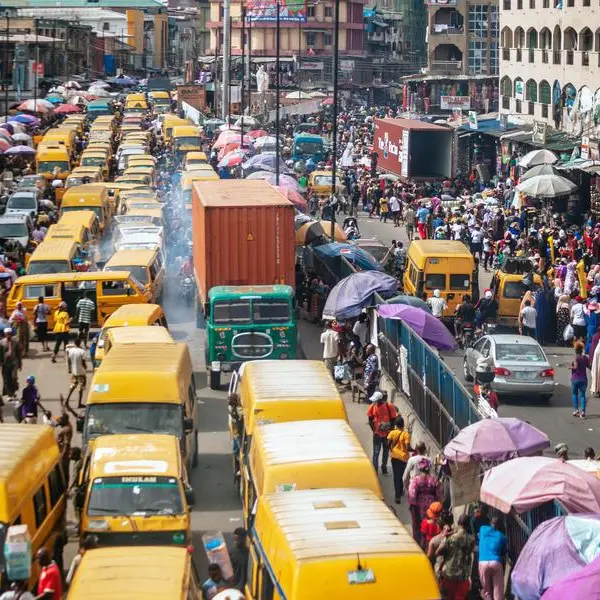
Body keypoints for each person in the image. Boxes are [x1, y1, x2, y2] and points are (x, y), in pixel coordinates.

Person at [438, 514, 475, 600]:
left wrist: (444, 538)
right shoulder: (471, 539)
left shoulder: (452, 538)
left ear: (458, 522)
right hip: (464, 575)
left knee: (447, 597)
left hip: (451, 573)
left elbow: (439, 552)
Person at [408, 457, 441, 546]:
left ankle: (420, 544)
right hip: (432, 505)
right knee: (431, 524)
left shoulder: (416, 480)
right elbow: (439, 495)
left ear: (420, 468)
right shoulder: (434, 480)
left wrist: (412, 506)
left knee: (419, 525)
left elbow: (412, 494)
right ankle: (430, 544)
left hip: (419, 506)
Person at [367, 391, 397, 475]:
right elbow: (370, 419)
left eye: (376, 400)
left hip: (387, 434)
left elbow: (393, 419)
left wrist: (390, 431)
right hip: (377, 434)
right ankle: (375, 471)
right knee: (376, 452)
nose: (375, 402)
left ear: (380, 400)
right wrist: (374, 430)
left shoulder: (389, 406)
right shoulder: (372, 407)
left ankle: (384, 468)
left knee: (386, 451)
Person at [478, 518, 507, 600]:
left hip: (483, 562)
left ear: (490, 523)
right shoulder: (502, 536)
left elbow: (479, 537)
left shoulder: (482, 529)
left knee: (486, 591)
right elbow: (504, 552)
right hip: (496, 562)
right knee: (498, 590)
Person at [387, 416, 411, 504]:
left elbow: (388, 445)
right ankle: (400, 492)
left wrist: (392, 450)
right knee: (402, 475)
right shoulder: (406, 435)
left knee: (396, 476)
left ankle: (397, 496)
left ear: (396, 425)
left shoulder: (392, 433)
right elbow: (408, 447)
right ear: (403, 425)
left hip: (394, 458)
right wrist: (414, 450)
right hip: (404, 458)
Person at [64, 337, 88, 410]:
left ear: (74, 343)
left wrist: (70, 368)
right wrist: (85, 367)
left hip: (74, 372)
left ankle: (66, 400)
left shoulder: (71, 350)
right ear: (80, 343)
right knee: (80, 388)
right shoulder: (82, 351)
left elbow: (69, 359)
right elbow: (83, 362)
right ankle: (79, 403)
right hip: (81, 372)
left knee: (73, 386)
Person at [0, 327, 21, 401]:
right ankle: (9, 394)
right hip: (5, 363)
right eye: (7, 334)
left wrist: (20, 364)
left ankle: (14, 390)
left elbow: (18, 353)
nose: (9, 335)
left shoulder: (16, 342)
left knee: (13, 378)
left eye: (10, 334)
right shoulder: (2, 342)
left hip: (14, 362)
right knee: (7, 379)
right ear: (5, 334)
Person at [571, 341, 590, 419]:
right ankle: (583, 413)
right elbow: (589, 366)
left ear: (575, 350)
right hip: (583, 380)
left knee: (574, 394)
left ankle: (576, 410)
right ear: (582, 350)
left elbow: (575, 367)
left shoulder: (576, 358)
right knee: (582, 396)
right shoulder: (585, 358)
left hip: (575, 379)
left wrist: (570, 367)